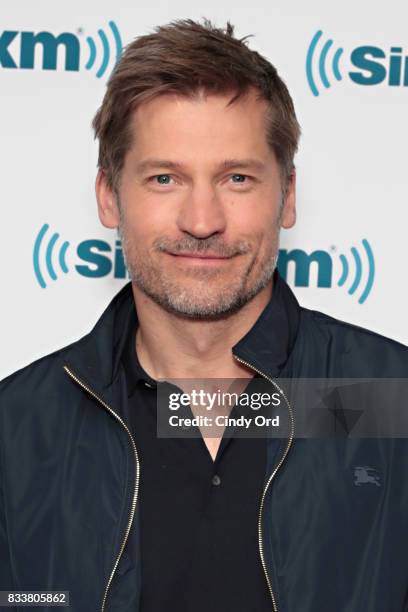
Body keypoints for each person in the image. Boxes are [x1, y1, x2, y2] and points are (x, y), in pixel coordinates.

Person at [0, 17, 407, 612]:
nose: (201, 220)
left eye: (236, 178)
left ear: (287, 196)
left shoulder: (389, 398)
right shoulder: (18, 428)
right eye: (165, 178)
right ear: (109, 196)